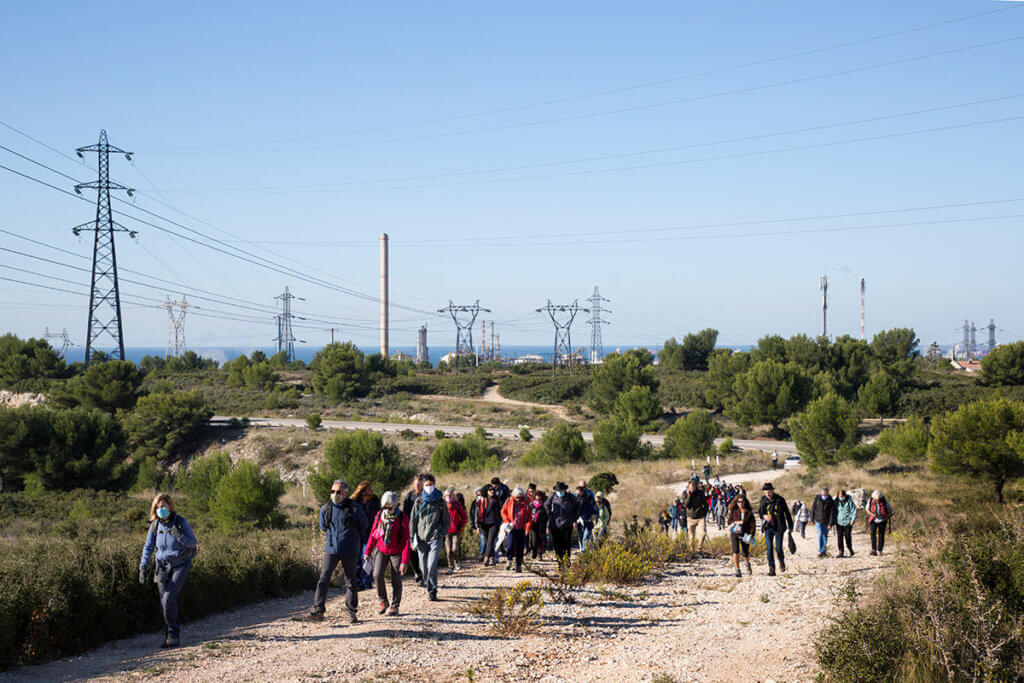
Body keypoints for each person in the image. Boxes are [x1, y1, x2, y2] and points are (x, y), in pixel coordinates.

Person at [139, 493, 198, 648]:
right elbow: (148, 547)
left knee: (168, 598)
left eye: (163, 506)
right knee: (164, 602)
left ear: (170, 506)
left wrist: (179, 537)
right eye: (158, 507)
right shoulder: (155, 525)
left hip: (181, 565)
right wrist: (143, 566)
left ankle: (173, 634)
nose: (161, 509)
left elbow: (193, 543)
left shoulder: (180, 522)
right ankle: (169, 634)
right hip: (161, 567)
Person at [310, 479, 369, 623]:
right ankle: (318, 609)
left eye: (338, 491)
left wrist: (353, 540)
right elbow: (323, 527)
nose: (335, 494)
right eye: (333, 491)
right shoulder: (325, 509)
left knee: (350, 581)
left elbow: (364, 525)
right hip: (331, 550)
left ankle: (351, 611)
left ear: (346, 493)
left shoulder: (355, 509)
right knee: (323, 578)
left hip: (350, 550)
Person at [364, 491, 410, 616]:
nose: (387, 509)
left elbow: (406, 540)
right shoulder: (380, 515)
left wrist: (405, 561)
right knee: (377, 574)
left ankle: (395, 606)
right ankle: (383, 601)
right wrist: (367, 552)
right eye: (385, 506)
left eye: (389, 506)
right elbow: (373, 534)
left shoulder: (402, 518)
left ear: (395, 505)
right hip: (381, 549)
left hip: (397, 551)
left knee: (396, 578)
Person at [410, 473, 450, 601]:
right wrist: (412, 537)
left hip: (435, 538)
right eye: (426, 485)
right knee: (423, 567)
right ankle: (428, 583)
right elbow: (413, 520)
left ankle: (432, 590)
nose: (429, 487)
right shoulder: (419, 500)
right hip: (421, 539)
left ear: (434, 484)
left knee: (432, 564)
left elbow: (446, 521)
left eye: (431, 485)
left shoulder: (440, 501)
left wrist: (441, 533)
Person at [757, 482, 793, 576]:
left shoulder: (780, 500)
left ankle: (781, 562)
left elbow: (787, 513)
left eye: (769, 491)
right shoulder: (763, 500)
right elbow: (760, 513)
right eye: (766, 491)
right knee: (769, 548)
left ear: (773, 491)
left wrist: (791, 526)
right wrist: (764, 516)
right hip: (768, 527)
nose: (768, 493)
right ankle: (771, 568)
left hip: (779, 527)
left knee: (778, 548)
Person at [545, 482, 579, 567]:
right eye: (558, 490)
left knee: (566, 544)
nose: (560, 492)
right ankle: (560, 562)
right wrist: (550, 514)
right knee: (557, 545)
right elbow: (546, 505)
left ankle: (567, 560)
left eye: (561, 490)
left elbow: (577, 506)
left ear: (565, 490)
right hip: (555, 525)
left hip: (567, 524)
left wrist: (573, 518)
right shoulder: (552, 496)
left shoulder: (570, 497)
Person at [500, 487, 531, 572]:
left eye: (520, 497)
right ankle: (509, 560)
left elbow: (529, 518)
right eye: (517, 497)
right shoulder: (509, 502)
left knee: (520, 547)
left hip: (521, 528)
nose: (518, 499)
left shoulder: (525, 504)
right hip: (511, 528)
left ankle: (518, 565)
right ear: (514, 496)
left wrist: (527, 529)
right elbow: (503, 512)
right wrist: (506, 521)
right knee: (510, 545)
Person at [402, 474, 425, 584]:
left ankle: (424, 572)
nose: (417, 485)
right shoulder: (409, 496)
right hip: (412, 527)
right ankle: (417, 573)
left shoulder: (428, 495)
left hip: (425, 528)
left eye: (420, 483)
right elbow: (405, 512)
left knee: (425, 551)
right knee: (413, 551)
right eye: (416, 483)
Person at [727, 493, 755, 577]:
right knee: (735, 551)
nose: (740, 504)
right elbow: (729, 522)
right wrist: (736, 522)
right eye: (738, 502)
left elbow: (753, 525)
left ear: (745, 502)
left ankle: (747, 563)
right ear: (736, 502)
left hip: (745, 534)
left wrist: (751, 534)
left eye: (742, 502)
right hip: (735, 533)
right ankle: (737, 569)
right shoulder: (734, 511)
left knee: (745, 553)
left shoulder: (749, 512)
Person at [477, 484, 502, 566]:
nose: (492, 491)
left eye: (493, 490)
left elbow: (500, 512)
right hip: (483, 524)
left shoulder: (496, 500)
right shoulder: (481, 501)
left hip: (494, 523)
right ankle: (492, 558)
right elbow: (476, 514)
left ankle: (486, 557)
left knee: (490, 540)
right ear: (486, 491)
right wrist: (477, 526)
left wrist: (500, 522)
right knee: (488, 541)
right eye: (490, 490)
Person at [682, 480, 709, 553]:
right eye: (690, 486)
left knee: (703, 534)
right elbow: (685, 505)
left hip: (700, 517)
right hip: (690, 518)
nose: (692, 488)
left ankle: (699, 549)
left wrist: (704, 514)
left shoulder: (700, 493)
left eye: (693, 486)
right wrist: (689, 495)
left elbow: (706, 504)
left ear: (695, 487)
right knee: (691, 537)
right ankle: (691, 551)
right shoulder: (685, 494)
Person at [444, 488, 467, 572]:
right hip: (446, 531)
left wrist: (461, 526)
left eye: (450, 495)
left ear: (453, 496)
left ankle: (457, 561)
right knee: (448, 550)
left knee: (454, 549)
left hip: (456, 531)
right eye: (447, 495)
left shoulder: (457, 505)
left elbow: (464, 517)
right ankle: (450, 567)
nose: (449, 497)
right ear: (444, 497)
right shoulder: (443, 505)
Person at [352, 481, 381, 546]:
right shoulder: (353, 502)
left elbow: (379, 514)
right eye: (369, 489)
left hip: (370, 532)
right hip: (357, 534)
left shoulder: (374, 500)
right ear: (363, 491)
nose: (372, 491)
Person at [811, 486, 837, 558]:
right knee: (820, 534)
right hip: (818, 520)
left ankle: (824, 550)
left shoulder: (830, 500)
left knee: (825, 536)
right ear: (821, 493)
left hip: (826, 521)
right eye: (823, 493)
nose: (824, 494)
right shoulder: (817, 498)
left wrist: (830, 523)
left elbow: (832, 513)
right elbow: (813, 508)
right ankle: (821, 550)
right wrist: (812, 519)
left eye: (825, 493)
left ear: (827, 493)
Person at [867, 490, 892, 556]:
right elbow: (867, 509)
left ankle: (880, 550)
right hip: (873, 520)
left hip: (882, 520)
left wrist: (886, 517)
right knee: (873, 535)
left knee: (881, 535)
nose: (876, 500)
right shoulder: (870, 501)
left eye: (877, 499)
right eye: (875, 499)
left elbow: (890, 510)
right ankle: (874, 550)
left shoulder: (884, 501)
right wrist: (872, 514)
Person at [835, 489, 858, 558]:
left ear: (845, 495)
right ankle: (841, 551)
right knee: (839, 537)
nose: (841, 497)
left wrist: (852, 520)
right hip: (839, 522)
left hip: (848, 522)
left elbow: (854, 511)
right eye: (840, 496)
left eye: (842, 496)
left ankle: (850, 549)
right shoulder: (836, 502)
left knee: (847, 537)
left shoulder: (849, 502)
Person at [575, 481, 597, 551]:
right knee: (580, 535)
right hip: (579, 520)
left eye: (584, 487)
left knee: (587, 535)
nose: (583, 488)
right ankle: (582, 550)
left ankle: (587, 550)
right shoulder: (575, 497)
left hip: (588, 519)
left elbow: (594, 507)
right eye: (582, 487)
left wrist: (594, 517)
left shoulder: (589, 495)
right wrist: (575, 520)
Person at [529, 490, 548, 560]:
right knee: (534, 539)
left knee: (541, 539)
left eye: (540, 499)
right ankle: (534, 551)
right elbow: (528, 514)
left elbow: (548, 515)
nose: (538, 501)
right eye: (537, 499)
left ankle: (540, 554)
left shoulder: (545, 505)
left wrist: (547, 526)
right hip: (533, 524)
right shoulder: (531, 504)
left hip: (542, 524)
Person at [469, 486, 486, 559]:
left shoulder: (486, 501)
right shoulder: (474, 503)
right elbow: (472, 514)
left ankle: (484, 553)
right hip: (479, 524)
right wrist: (474, 525)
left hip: (486, 522)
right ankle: (482, 553)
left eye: (481, 493)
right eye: (478, 493)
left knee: (485, 539)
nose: (479, 494)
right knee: (483, 538)